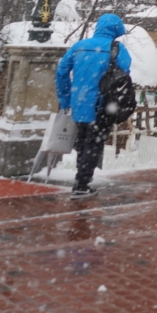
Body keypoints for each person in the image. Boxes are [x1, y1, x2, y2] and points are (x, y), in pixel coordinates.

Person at [55, 14, 132, 198]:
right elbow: (124, 74)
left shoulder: (79, 46)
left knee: (83, 140)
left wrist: (66, 99)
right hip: (103, 104)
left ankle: (81, 177)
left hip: (79, 103)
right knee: (94, 143)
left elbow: (61, 72)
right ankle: (82, 183)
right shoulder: (117, 49)